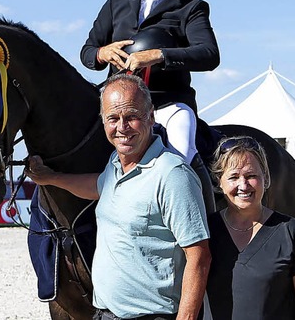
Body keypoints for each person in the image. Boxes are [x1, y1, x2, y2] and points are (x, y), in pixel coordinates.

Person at [25, 73, 211, 320]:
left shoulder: (172, 174)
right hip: (106, 314)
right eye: (113, 118)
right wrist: (51, 178)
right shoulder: (115, 164)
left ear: (151, 116)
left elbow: (199, 255)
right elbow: (98, 186)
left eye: (132, 116)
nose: (122, 127)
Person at [80, 0, 219, 172]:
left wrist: (158, 55)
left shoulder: (192, 7)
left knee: (181, 157)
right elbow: (87, 51)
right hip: (116, 104)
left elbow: (209, 55)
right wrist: (102, 53)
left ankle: (196, 206)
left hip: (168, 105)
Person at [205, 136, 295, 320]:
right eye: (233, 177)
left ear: (266, 178)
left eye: (251, 176)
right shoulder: (206, 231)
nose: (243, 185)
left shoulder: (290, 231)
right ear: (219, 182)